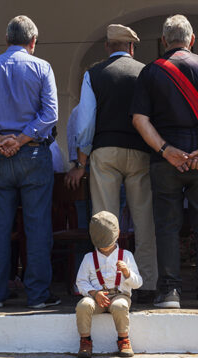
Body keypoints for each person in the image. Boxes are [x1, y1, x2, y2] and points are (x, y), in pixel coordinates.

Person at [132, 15, 198, 308]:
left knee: (166, 226)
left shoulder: (151, 71)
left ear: (164, 41)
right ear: (192, 40)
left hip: (167, 162)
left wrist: (165, 149)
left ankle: (170, 293)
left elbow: (140, 119)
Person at [0, 15, 59, 308]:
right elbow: (50, 114)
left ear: (6, 40)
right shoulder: (42, 67)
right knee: (37, 227)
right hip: (33, 153)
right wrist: (21, 139)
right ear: (32, 42)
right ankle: (37, 296)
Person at [65, 24, 158, 304]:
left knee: (105, 221)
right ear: (132, 47)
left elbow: (85, 122)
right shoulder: (146, 72)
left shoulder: (93, 74)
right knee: (144, 221)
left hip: (105, 151)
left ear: (107, 47)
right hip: (141, 151)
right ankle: (148, 284)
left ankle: (104, 286)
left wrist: (81, 160)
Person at [75, 211, 142, 358]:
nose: (105, 247)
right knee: (83, 305)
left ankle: (123, 339)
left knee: (120, 306)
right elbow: (80, 282)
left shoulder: (126, 256)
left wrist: (127, 273)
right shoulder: (88, 258)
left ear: (118, 234)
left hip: (120, 295)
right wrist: (94, 293)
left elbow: (138, 283)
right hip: (96, 298)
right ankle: (85, 341)